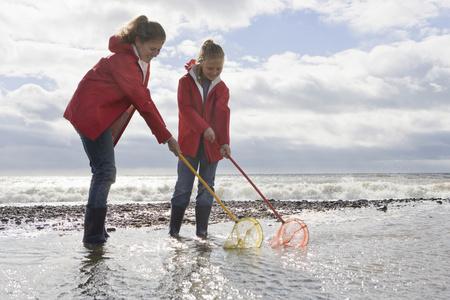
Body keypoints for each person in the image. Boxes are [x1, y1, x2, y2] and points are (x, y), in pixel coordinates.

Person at [64, 15, 180, 245]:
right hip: (89, 115)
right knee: (105, 171)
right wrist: (167, 137)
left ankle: (97, 230)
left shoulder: (139, 61)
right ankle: (93, 235)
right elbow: (142, 101)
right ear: (138, 40)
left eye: (160, 50)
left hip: (100, 117)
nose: (156, 53)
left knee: (103, 171)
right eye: (153, 48)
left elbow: (141, 98)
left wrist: (165, 135)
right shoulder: (124, 62)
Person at [169, 40, 231, 239]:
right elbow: (185, 110)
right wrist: (204, 128)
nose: (214, 72)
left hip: (212, 147)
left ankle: (202, 233)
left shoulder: (222, 88)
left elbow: (223, 116)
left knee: (207, 189)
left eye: (219, 68)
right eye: (210, 67)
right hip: (189, 143)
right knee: (183, 188)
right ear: (201, 63)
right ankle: (174, 232)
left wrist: (225, 142)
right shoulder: (185, 82)